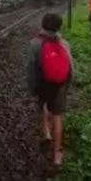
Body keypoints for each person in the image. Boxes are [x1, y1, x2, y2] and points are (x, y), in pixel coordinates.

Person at [27, 13, 73, 166]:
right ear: (59, 27)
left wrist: (32, 87)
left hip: (42, 84)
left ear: (43, 25)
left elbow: (32, 69)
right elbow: (71, 68)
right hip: (59, 85)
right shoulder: (64, 43)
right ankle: (57, 155)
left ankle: (46, 132)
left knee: (43, 106)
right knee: (58, 116)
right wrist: (66, 86)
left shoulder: (34, 43)